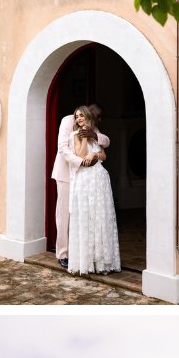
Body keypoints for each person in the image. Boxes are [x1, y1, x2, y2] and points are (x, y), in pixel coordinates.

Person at [50, 104, 110, 268]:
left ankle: (79, 254)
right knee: (63, 215)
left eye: (99, 117)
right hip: (65, 174)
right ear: (89, 110)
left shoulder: (91, 125)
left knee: (81, 215)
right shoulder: (67, 121)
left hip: (83, 179)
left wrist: (95, 136)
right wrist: (82, 162)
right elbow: (62, 149)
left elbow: (107, 142)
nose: (98, 119)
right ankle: (62, 253)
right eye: (97, 115)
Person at [66, 105, 121, 276]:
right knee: (86, 216)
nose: (79, 119)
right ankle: (87, 262)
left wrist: (95, 154)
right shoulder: (74, 136)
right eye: (76, 116)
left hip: (99, 178)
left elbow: (103, 155)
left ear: (88, 117)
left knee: (100, 217)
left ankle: (102, 262)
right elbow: (81, 156)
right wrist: (84, 139)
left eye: (82, 115)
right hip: (84, 179)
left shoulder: (96, 134)